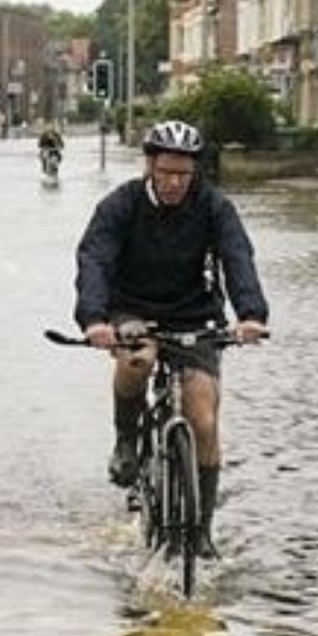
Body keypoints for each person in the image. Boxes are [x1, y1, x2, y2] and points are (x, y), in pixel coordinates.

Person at [74, 119, 269, 556]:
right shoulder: (120, 205)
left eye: (184, 173)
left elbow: (238, 256)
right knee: (136, 359)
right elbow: (95, 259)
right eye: (166, 172)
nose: (175, 182)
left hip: (193, 314)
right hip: (132, 308)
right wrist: (94, 320)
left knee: (203, 416)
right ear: (150, 166)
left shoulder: (214, 207)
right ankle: (127, 438)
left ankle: (201, 532)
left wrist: (251, 314)